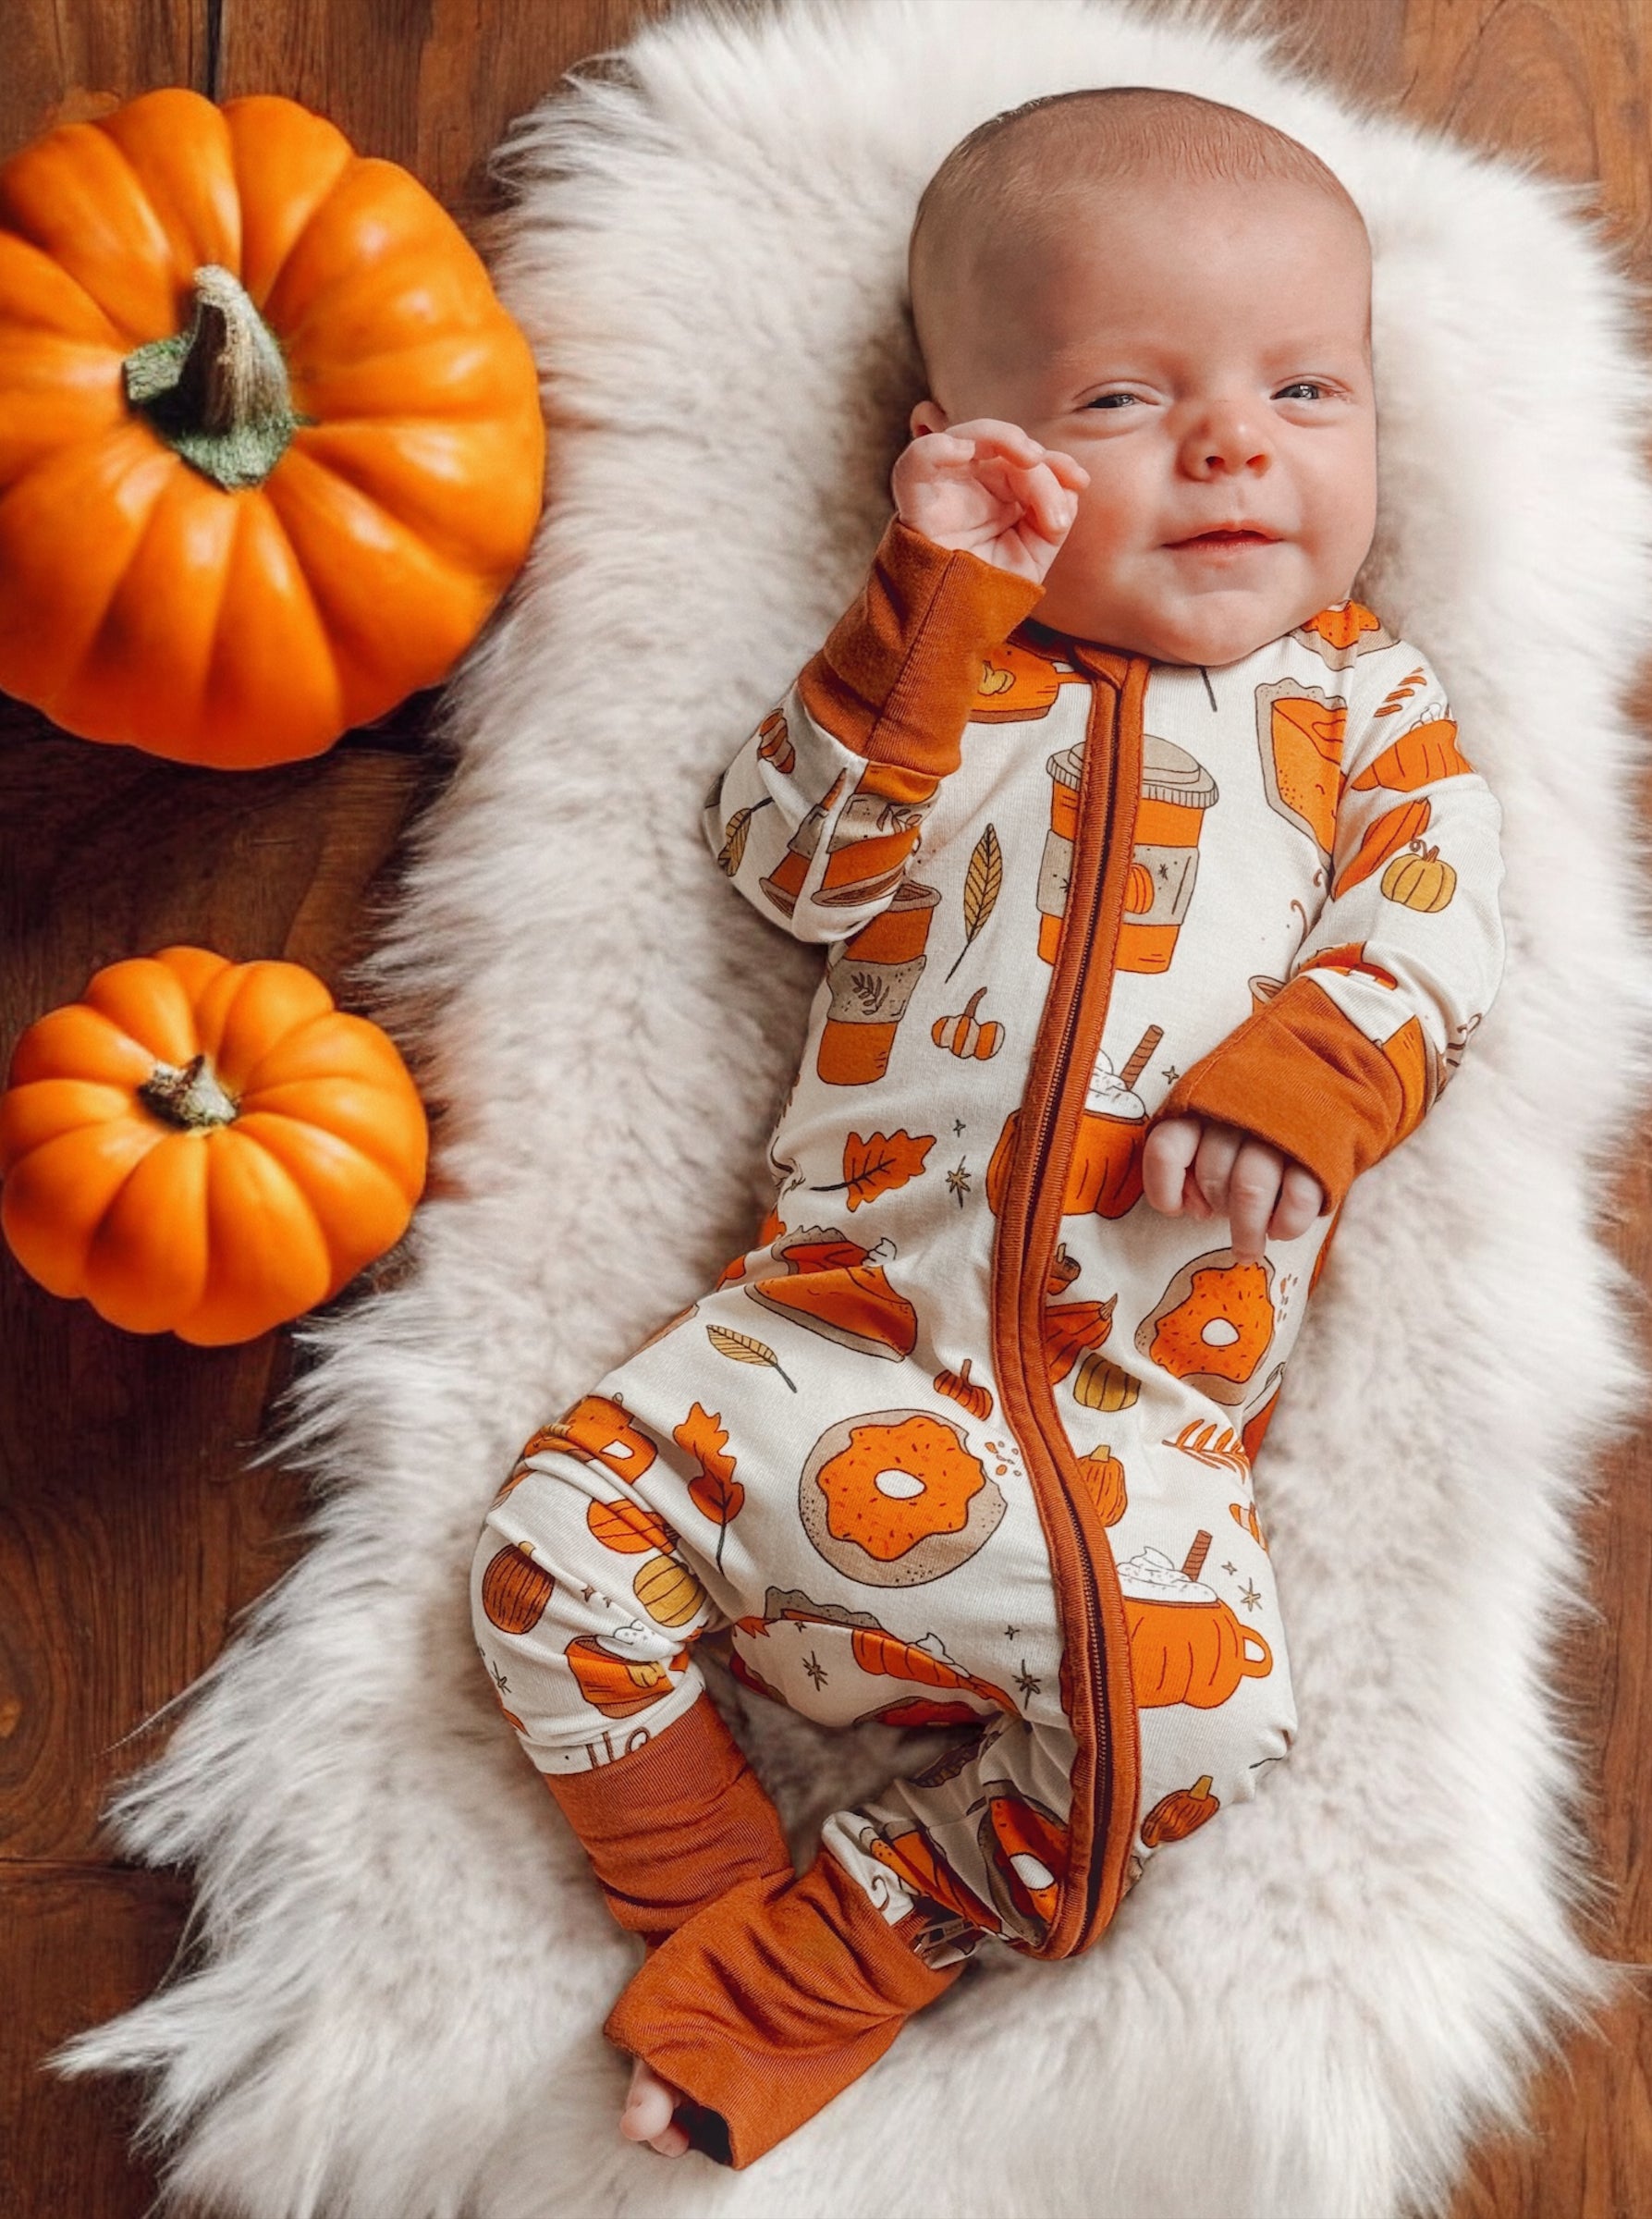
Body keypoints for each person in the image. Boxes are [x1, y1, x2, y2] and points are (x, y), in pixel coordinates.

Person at [469, 85, 1506, 2169]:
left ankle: (836, 1954)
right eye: (1130, 397)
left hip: (1133, 1439)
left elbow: (1441, 912)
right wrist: (925, 609)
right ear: (958, 451)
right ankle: (704, 1900)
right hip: (828, 1335)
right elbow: (791, 864)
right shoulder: (948, 679)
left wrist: (1311, 1073)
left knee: (1201, 1741)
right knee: (546, 1551)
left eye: (1311, 388)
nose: (1238, 445)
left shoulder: (1359, 703)